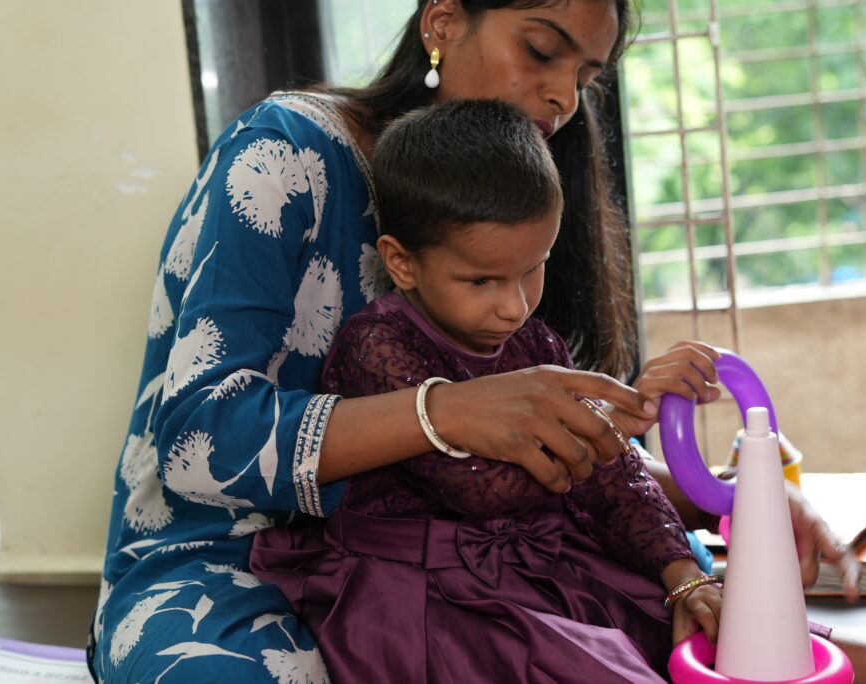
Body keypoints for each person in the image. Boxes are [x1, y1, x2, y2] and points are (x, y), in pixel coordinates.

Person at [89, 1, 866, 682]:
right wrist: (445, 414)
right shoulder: (283, 159)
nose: (564, 99)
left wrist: (720, 501)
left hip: (456, 567)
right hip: (222, 559)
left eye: (586, 76)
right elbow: (196, 446)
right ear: (442, 23)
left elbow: (530, 460)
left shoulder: (515, 228)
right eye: (542, 50)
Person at [249, 97, 731, 683]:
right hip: (424, 595)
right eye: (481, 280)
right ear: (402, 263)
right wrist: (611, 422)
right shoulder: (375, 346)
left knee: (714, 648)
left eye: (533, 268)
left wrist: (684, 575)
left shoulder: (539, 348)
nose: (514, 305)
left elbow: (613, 480)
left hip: (535, 568)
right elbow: (476, 486)